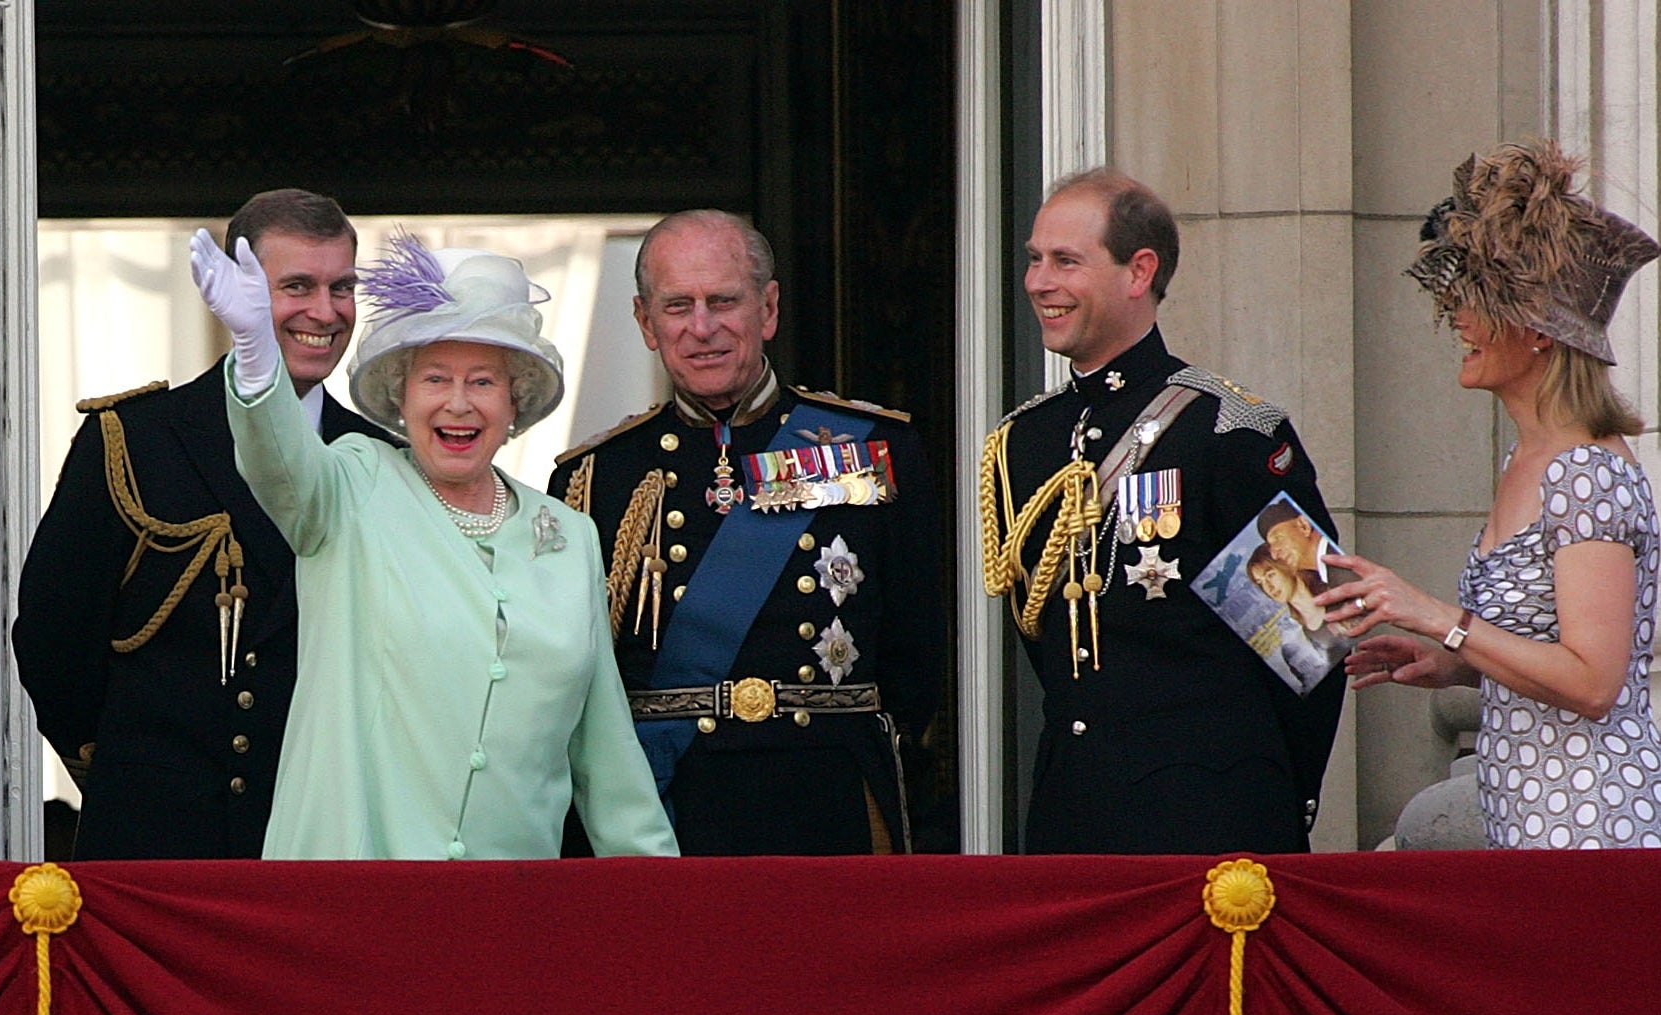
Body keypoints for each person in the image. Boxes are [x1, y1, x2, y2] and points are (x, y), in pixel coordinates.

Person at [190, 226, 677, 859]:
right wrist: (256, 352)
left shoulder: (569, 537)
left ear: (514, 402)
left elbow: (605, 751)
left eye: (482, 382)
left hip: (506, 909)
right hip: (360, 894)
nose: (458, 404)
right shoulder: (351, 488)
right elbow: (278, 465)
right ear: (399, 395)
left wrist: (656, 894)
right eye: (434, 379)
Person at [544, 210, 940, 855]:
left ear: (769, 307)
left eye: (724, 300)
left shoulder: (873, 446)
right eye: (678, 306)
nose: (702, 328)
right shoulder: (597, 477)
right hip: (666, 809)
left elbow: (916, 658)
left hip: (826, 798)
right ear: (646, 322)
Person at [13, 189, 389, 859]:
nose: (325, 312)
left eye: (342, 288)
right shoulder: (133, 438)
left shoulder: (385, 461)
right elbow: (53, 638)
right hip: (157, 835)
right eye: (296, 286)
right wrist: (132, 773)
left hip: (318, 840)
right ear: (235, 291)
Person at [980, 168, 1343, 854]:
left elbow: (1308, 645)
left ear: (1137, 271)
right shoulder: (1022, 444)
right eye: (1033, 259)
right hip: (1073, 815)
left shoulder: (1226, 432)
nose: (1036, 282)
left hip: (1207, 820)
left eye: (1064, 261)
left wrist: (1271, 798)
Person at [1323, 140, 1661, 849]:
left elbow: (1594, 681)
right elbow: (1548, 655)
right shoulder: (1526, 458)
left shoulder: (1585, 472)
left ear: (1537, 332)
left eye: (1473, 300)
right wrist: (1452, 664)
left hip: (1587, 828)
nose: (1455, 318)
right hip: (1530, 823)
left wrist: (1439, 619)